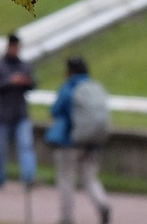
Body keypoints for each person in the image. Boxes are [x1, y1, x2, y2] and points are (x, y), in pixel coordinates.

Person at [46, 56, 112, 224]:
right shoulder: (95, 88)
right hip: (92, 141)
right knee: (90, 179)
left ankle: (66, 217)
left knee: (66, 179)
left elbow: (55, 110)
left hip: (68, 142)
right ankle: (102, 203)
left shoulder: (68, 88)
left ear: (69, 71)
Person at [0, 33, 37, 189]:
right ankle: (0, 178)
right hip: (3, 115)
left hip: (20, 113)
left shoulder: (24, 66)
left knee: (26, 147)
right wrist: (10, 82)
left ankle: (28, 177)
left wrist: (25, 82)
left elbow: (33, 84)